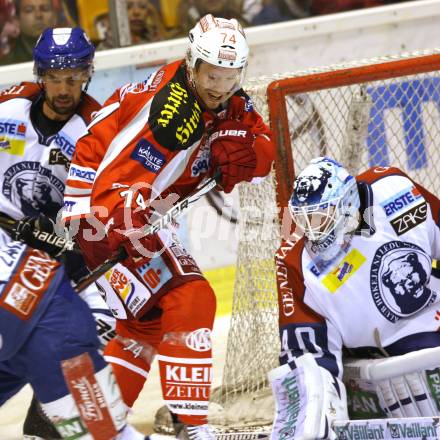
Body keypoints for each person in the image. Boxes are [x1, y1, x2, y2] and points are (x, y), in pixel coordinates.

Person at [63, 13, 275, 439]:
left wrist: (248, 152)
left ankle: (95, 428)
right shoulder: (170, 115)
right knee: (190, 296)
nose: (220, 85)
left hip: (113, 214)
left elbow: (263, 145)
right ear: (192, 63)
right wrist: (116, 232)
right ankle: (191, 426)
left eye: (230, 75)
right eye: (212, 74)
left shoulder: (224, 98)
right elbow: (115, 184)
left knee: (141, 327)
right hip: (108, 214)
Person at [0, 26, 147, 440]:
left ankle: (50, 419)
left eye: (74, 77)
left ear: (87, 74)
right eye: (54, 77)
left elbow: (103, 212)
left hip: (56, 253)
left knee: (94, 325)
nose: (64, 88)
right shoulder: (6, 109)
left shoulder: (99, 132)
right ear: (39, 74)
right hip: (2, 245)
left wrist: (74, 243)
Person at [270, 156, 440, 439]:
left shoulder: (393, 188)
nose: (312, 230)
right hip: (396, 367)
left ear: (348, 203)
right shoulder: (297, 265)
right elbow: (310, 360)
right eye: (304, 219)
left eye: (321, 216)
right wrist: (314, 422)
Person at [0, 0, 57, 65]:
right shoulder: (6, 65)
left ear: (55, 17)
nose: (38, 15)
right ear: (17, 19)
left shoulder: (69, 54)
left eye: (45, 9)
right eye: (29, 10)